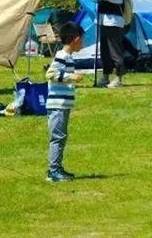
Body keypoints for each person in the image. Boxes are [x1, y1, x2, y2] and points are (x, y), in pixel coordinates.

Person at [44, 21, 85, 182]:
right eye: (81, 40)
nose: (82, 43)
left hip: (63, 104)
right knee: (58, 137)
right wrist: (70, 77)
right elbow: (50, 74)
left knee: (61, 136)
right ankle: (53, 171)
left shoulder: (67, 57)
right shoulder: (62, 56)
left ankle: (57, 168)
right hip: (57, 105)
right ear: (75, 39)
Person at [91, 0, 128, 88]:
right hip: (103, 22)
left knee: (115, 52)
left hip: (114, 24)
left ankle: (118, 78)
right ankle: (106, 76)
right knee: (105, 51)